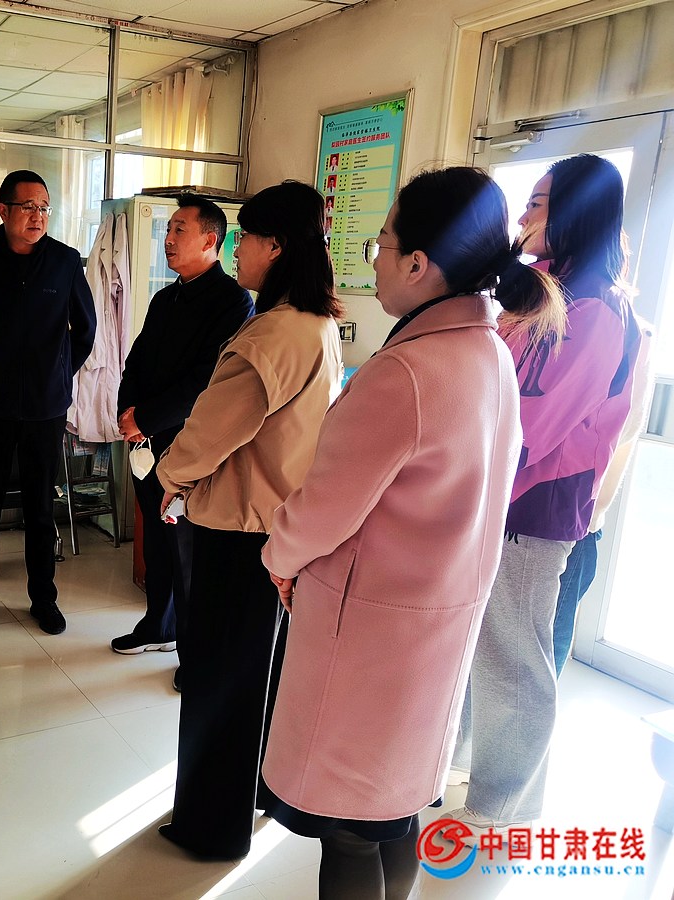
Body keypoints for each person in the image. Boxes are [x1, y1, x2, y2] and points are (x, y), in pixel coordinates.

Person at [260, 166, 566, 899]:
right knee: (392, 812)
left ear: (419, 264)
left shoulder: (406, 371)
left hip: (368, 636)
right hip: (435, 623)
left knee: (347, 827)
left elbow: (324, 508)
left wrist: (278, 555)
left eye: (382, 245)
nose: (375, 262)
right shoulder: (489, 354)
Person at [450, 154, 642, 829]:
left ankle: (506, 801)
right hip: (493, 496)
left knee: (514, 657)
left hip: (535, 506)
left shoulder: (596, 310)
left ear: (577, 213)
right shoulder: (541, 291)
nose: (524, 215)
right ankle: (468, 767)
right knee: (481, 642)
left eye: (537, 203)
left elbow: (532, 427)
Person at [155, 181, 344, 860]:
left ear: (277, 246)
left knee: (218, 684)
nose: (236, 250)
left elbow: (211, 431)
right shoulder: (318, 324)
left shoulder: (274, 333)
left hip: (237, 529)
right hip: (279, 526)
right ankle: (253, 795)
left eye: (246, 238)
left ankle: (210, 829)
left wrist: (168, 478)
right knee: (255, 679)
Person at [0, 170, 96, 636]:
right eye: (28, 206)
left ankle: (43, 599)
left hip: (44, 410)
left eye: (44, 208)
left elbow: (86, 330)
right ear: (3, 210)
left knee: (39, 508)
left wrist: (58, 373)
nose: (38, 216)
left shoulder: (65, 262)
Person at [112, 196, 253, 685]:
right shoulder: (165, 298)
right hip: (147, 441)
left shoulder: (233, 302)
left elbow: (205, 380)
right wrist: (128, 412)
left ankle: (194, 656)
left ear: (211, 240)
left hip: (190, 447)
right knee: (155, 541)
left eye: (179, 230)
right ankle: (159, 625)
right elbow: (137, 359)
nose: (168, 240)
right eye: (168, 230)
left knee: (187, 552)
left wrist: (146, 418)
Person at [553, 318, 653, 676]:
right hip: (558, 515)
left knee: (547, 640)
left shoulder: (628, 332)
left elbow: (623, 427)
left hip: (576, 520)